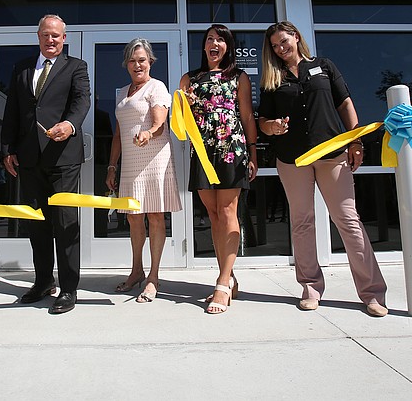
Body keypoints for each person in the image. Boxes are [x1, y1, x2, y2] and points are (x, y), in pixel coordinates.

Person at [258, 21, 388, 317]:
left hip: (332, 154)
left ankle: (372, 293)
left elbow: (345, 104)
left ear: (296, 37)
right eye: (275, 46)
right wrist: (273, 127)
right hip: (292, 159)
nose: (280, 49)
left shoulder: (324, 66)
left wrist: (356, 142)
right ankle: (310, 288)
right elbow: (263, 121)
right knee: (302, 223)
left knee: (347, 220)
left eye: (284, 41)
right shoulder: (272, 80)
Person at [1, 14, 91, 315]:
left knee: (65, 223)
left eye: (56, 35)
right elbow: (13, 108)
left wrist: (70, 124)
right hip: (28, 158)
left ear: (64, 38)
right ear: (38, 36)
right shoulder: (22, 68)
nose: (51, 40)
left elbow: (82, 102)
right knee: (36, 223)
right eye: (46, 35)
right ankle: (43, 282)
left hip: (62, 157)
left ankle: (68, 289)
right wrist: (7, 149)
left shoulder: (76, 67)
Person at [179, 24, 258, 314]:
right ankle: (228, 273)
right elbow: (181, 120)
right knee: (213, 215)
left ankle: (222, 283)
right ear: (203, 46)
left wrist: (252, 153)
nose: (215, 43)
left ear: (228, 47)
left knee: (228, 212)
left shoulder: (239, 77)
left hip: (230, 149)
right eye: (210, 39)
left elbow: (248, 116)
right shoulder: (189, 78)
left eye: (221, 40)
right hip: (202, 151)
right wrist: (183, 106)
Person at [106, 38, 182, 303]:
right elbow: (118, 134)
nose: (137, 64)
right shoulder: (122, 92)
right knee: (133, 218)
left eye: (142, 59)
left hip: (154, 159)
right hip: (130, 163)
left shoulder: (156, 87)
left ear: (150, 61)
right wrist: (112, 165)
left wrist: (149, 133)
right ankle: (136, 270)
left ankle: (154, 277)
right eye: (132, 60)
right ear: (126, 64)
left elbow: (160, 121)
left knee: (155, 217)